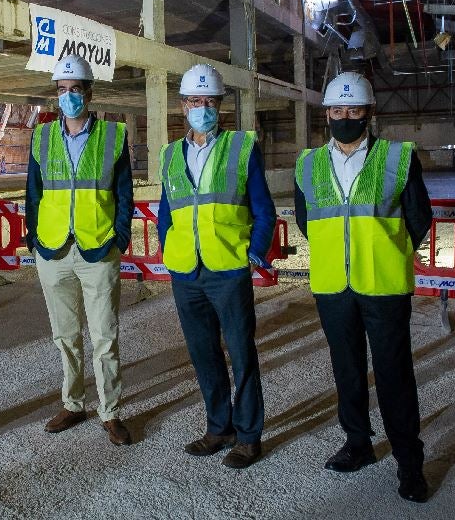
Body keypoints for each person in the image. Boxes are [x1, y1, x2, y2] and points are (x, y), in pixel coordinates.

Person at [293, 70, 432, 503]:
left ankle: (410, 463)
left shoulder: (398, 157)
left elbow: (418, 219)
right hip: (333, 285)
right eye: (337, 110)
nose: (345, 116)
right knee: (347, 370)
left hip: (384, 284)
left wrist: (384, 252)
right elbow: (306, 220)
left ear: (369, 113)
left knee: (394, 374)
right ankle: (358, 444)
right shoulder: (308, 163)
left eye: (354, 110)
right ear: (327, 114)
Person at [157, 64, 277, 469]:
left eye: (210, 101)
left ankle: (248, 435)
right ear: (182, 105)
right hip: (186, 273)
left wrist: (255, 251)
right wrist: (168, 248)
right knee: (203, 353)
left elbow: (264, 210)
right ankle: (218, 426)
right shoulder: (171, 154)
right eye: (195, 100)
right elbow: (165, 212)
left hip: (227, 268)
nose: (202, 107)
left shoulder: (242, 148)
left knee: (241, 353)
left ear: (221, 106)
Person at [25, 55, 135, 446]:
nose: (68, 96)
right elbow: (33, 195)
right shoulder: (41, 137)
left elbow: (124, 192)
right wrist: (33, 238)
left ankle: (111, 411)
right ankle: (73, 404)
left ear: (89, 92)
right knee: (65, 336)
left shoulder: (113, 136)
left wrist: (119, 237)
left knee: (105, 336)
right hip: (53, 251)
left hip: (99, 248)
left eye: (75, 89)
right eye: (61, 89)